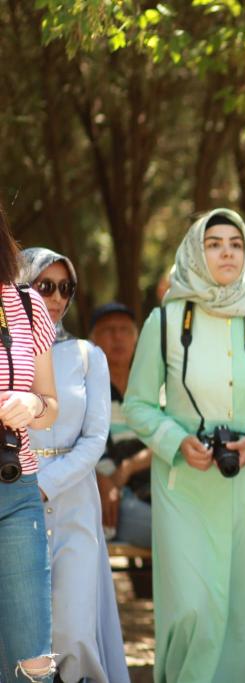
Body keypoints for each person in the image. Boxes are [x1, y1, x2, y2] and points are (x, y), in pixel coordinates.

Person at [123, 208, 245, 682]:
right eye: (214, 244)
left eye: (235, 244)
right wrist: (176, 440)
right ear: (195, 252)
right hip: (184, 486)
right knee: (195, 609)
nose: (227, 252)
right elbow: (138, 405)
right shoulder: (164, 322)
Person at [19, 249, 129, 683]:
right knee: (24, 626)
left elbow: (96, 439)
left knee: (74, 627)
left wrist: (46, 483)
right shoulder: (8, 353)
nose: (57, 298)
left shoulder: (87, 355)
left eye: (66, 288)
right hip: (15, 499)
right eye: (45, 285)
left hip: (76, 502)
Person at [0, 206, 60, 683]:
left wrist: (32, 404)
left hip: (16, 487)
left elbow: (51, 404)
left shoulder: (26, 304)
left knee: (32, 661)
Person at [91, 302, 153, 549]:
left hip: (159, 489)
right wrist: (100, 478)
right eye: (108, 330)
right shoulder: (86, 391)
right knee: (172, 533)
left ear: (136, 339)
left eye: (125, 329)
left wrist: (129, 466)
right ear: (93, 341)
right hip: (115, 497)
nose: (117, 336)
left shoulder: (153, 388)